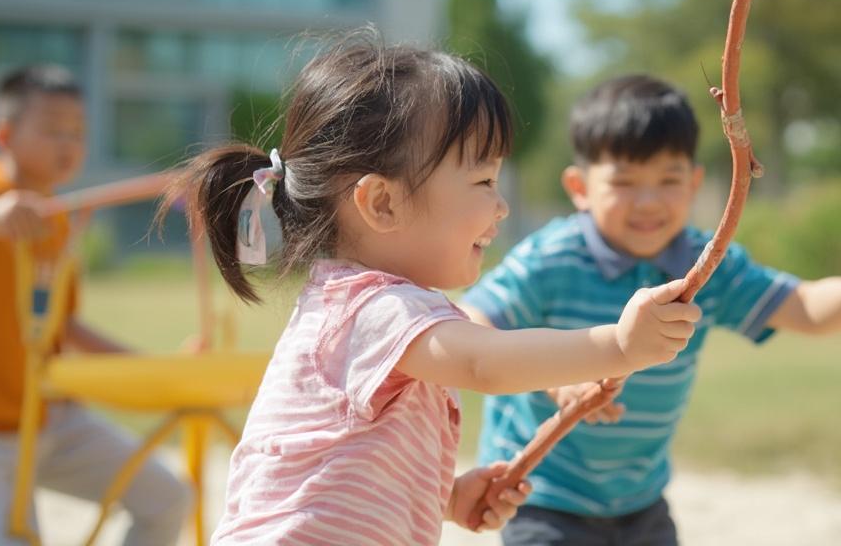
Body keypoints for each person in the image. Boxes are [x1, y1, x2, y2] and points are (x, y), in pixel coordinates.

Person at [166, 33, 703, 546]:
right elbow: (484, 364)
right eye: (483, 182)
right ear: (382, 204)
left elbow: (343, 464)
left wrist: (445, 498)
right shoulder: (374, 307)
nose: (501, 206)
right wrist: (620, 345)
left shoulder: (352, 304)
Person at [462, 74, 841, 545]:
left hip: (641, 501)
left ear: (695, 182)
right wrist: (556, 375)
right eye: (624, 181)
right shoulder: (550, 258)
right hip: (541, 495)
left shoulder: (707, 264)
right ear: (580, 187)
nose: (648, 201)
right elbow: (471, 321)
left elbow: (805, 309)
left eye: (669, 180)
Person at [0, 65, 192, 545]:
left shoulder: (55, 220)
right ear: (4, 135)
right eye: (53, 130)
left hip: (49, 419)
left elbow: (63, 328)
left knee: (168, 499)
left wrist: (158, 373)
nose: (69, 144)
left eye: (78, 132)